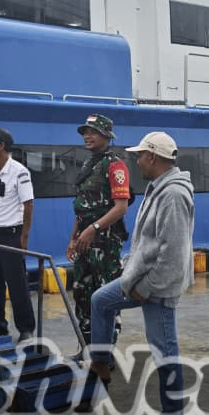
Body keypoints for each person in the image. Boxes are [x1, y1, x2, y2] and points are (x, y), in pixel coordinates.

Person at [86, 131, 194, 415]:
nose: (135, 161)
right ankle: (101, 365)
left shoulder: (172, 195)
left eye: (139, 156)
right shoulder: (157, 188)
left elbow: (173, 253)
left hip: (156, 286)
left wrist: (146, 288)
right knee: (100, 301)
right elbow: (148, 242)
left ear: (153, 157)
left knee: (165, 351)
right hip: (140, 278)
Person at [67, 113, 132, 340]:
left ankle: (106, 354)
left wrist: (92, 229)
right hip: (85, 242)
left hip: (105, 243)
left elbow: (121, 207)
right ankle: (87, 348)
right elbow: (82, 206)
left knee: (104, 295)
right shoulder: (88, 165)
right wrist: (73, 238)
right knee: (82, 294)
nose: (87, 136)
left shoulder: (116, 166)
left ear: (106, 135)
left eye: (92, 132)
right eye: (85, 132)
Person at [0, 127, 36, 341]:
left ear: (1, 146)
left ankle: (26, 329)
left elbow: (28, 204)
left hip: (12, 235)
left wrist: (24, 238)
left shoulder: (20, 172)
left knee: (17, 284)